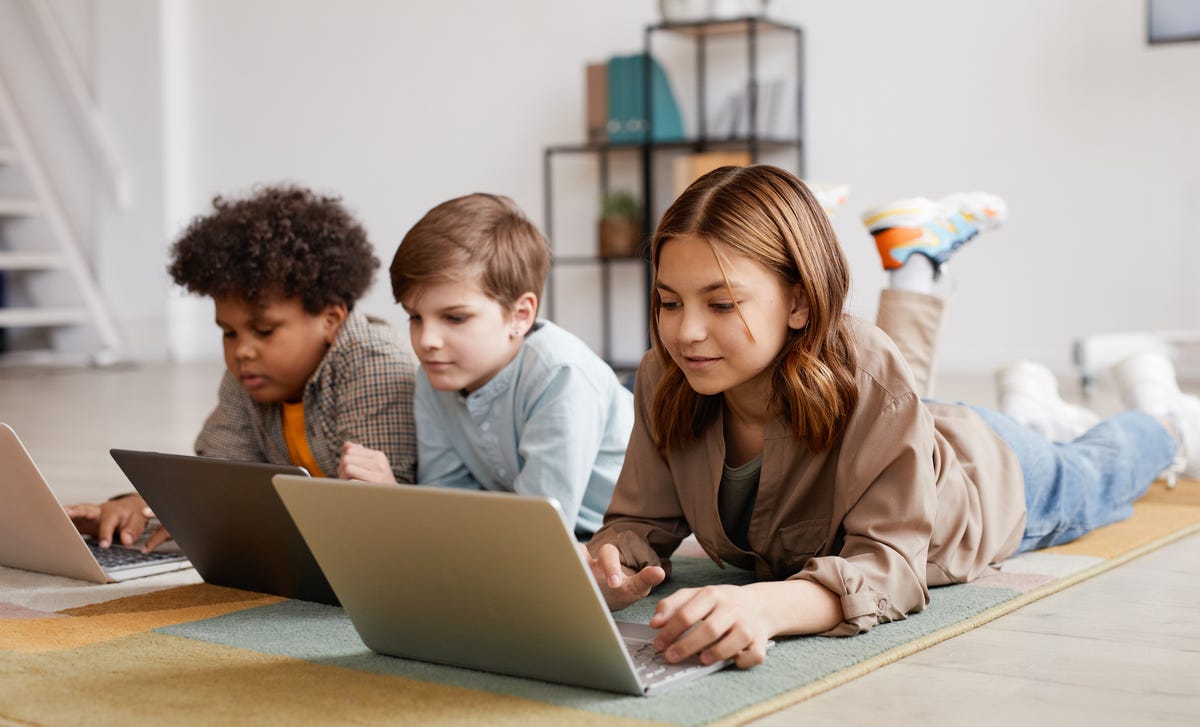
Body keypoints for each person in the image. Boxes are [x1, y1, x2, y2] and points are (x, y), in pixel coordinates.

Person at [583, 164, 1189, 670]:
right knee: (1043, 430)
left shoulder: (864, 363)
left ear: (798, 302)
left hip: (986, 478)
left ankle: (1167, 421)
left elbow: (891, 566)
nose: (685, 331)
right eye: (668, 301)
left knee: (1099, 471)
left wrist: (767, 608)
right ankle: (1035, 398)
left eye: (721, 303)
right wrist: (614, 559)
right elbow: (640, 520)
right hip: (921, 422)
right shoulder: (667, 377)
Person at [67, 185, 418, 551]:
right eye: (228, 332)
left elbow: (378, 519)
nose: (242, 351)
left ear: (331, 318)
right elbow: (219, 481)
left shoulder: (374, 367)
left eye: (264, 330)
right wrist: (139, 507)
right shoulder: (253, 373)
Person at [356, 192, 633, 538]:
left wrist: (400, 504)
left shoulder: (560, 374)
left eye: (455, 318)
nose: (427, 340)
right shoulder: (436, 375)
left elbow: (538, 531)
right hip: (541, 538)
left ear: (520, 315)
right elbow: (448, 502)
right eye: (415, 317)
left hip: (614, 537)